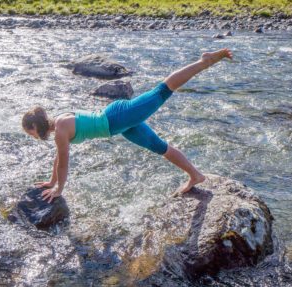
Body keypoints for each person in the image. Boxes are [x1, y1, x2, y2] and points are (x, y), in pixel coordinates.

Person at [22, 48, 233, 202]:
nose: (31, 135)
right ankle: (196, 176)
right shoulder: (59, 123)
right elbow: (58, 158)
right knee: (162, 148)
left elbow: (63, 164)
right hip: (121, 126)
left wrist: (59, 189)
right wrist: (51, 182)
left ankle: (203, 61)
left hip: (118, 118)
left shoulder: (60, 130)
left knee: (163, 90)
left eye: (29, 132)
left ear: (36, 126)